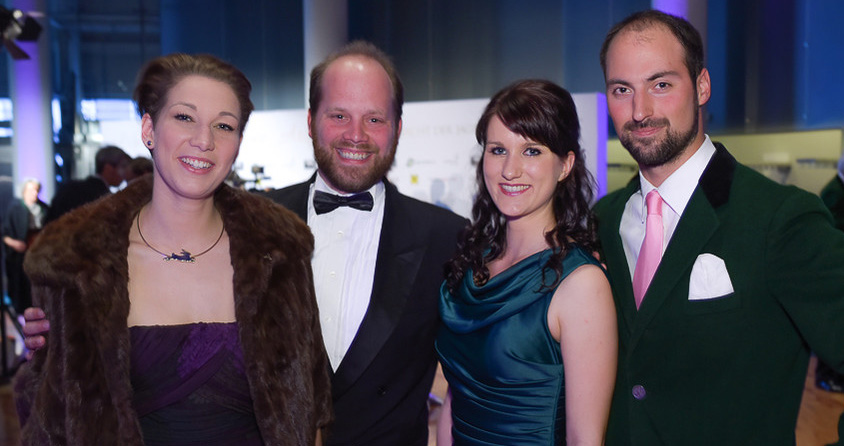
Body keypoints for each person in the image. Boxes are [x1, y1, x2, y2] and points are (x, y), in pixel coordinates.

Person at [13, 53, 331, 445]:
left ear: (237, 144)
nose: (204, 140)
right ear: (149, 129)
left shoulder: (280, 254)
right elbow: (51, 419)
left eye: (224, 125)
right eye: (184, 117)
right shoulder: (75, 264)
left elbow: (311, 408)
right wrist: (48, 346)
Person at [592, 10, 844, 445]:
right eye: (622, 90)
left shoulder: (780, 219)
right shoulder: (603, 220)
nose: (640, 111)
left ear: (702, 86)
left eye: (661, 84)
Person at [265, 41, 467, 445]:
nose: (355, 135)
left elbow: (477, 374)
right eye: (339, 115)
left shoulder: (446, 237)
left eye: (374, 119)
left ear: (398, 128)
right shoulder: (257, 222)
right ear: (311, 121)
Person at [435, 79, 617, 445]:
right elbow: (455, 402)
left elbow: (585, 438)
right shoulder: (473, 263)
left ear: (565, 165)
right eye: (498, 150)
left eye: (531, 151)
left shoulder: (581, 284)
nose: (510, 169)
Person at [44, 144, 131, 223]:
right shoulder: (104, 198)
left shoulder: (69, 187)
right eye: (123, 166)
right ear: (108, 168)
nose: (126, 172)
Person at [2, 179, 48, 315]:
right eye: (31, 190)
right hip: (20, 256)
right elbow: (4, 233)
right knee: (21, 286)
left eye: (36, 190)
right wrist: (14, 243)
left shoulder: (44, 208)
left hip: (39, 253)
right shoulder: (15, 208)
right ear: (24, 192)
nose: (34, 193)